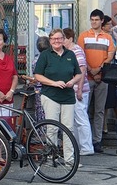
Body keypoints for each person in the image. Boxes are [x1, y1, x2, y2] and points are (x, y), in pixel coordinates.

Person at [33, 28, 82, 164]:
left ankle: (69, 159)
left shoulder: (70, 54)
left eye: (59, 38)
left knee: (68, 128)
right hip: (50, 95)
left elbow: (78, 73)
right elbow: (38, 75)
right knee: (52, 127)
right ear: (50, 40)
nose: (57, 41)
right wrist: (54, 83)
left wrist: (72, 81)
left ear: (63, 40)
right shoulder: (45, 55)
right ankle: (51, 157)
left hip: (67, 95)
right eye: (54, 39)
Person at [78, 9, 114, 153]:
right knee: (84, 110)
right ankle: (85, 141)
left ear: (101, 21)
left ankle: (97, 140)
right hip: (86, 78)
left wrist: (99, 69)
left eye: (97, 20)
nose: (94, 22)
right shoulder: (83, 36)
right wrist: (90, 69)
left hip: (102, 78)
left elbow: (110, 55)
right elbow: (80, 55)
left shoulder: (108, 37)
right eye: (92, 20)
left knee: (99, 110)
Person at [64, 27, 94, 157]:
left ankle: (87, 147)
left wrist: (80, 89)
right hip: (72, 90)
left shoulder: (76, 51)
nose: (61, 41)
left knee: (81, 118)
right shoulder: (68, 51)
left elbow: (82, 71)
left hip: (78, 90)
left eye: (63, 38)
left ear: (70, 39)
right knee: (75, 119)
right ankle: (77, 145)